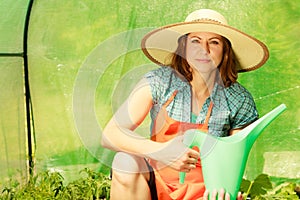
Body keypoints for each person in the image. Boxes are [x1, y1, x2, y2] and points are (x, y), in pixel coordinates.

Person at [101, 9, 269, 200]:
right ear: (184, 46)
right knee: (124, 162)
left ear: (225, 50)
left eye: (214, 42)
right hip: (154, 187)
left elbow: (233, 162)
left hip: (206, 192)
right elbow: (110, 134)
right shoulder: (159, 81)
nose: (204, 50)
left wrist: (227, 193)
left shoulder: (239, 99)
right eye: (195, 40)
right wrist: (161, 151)